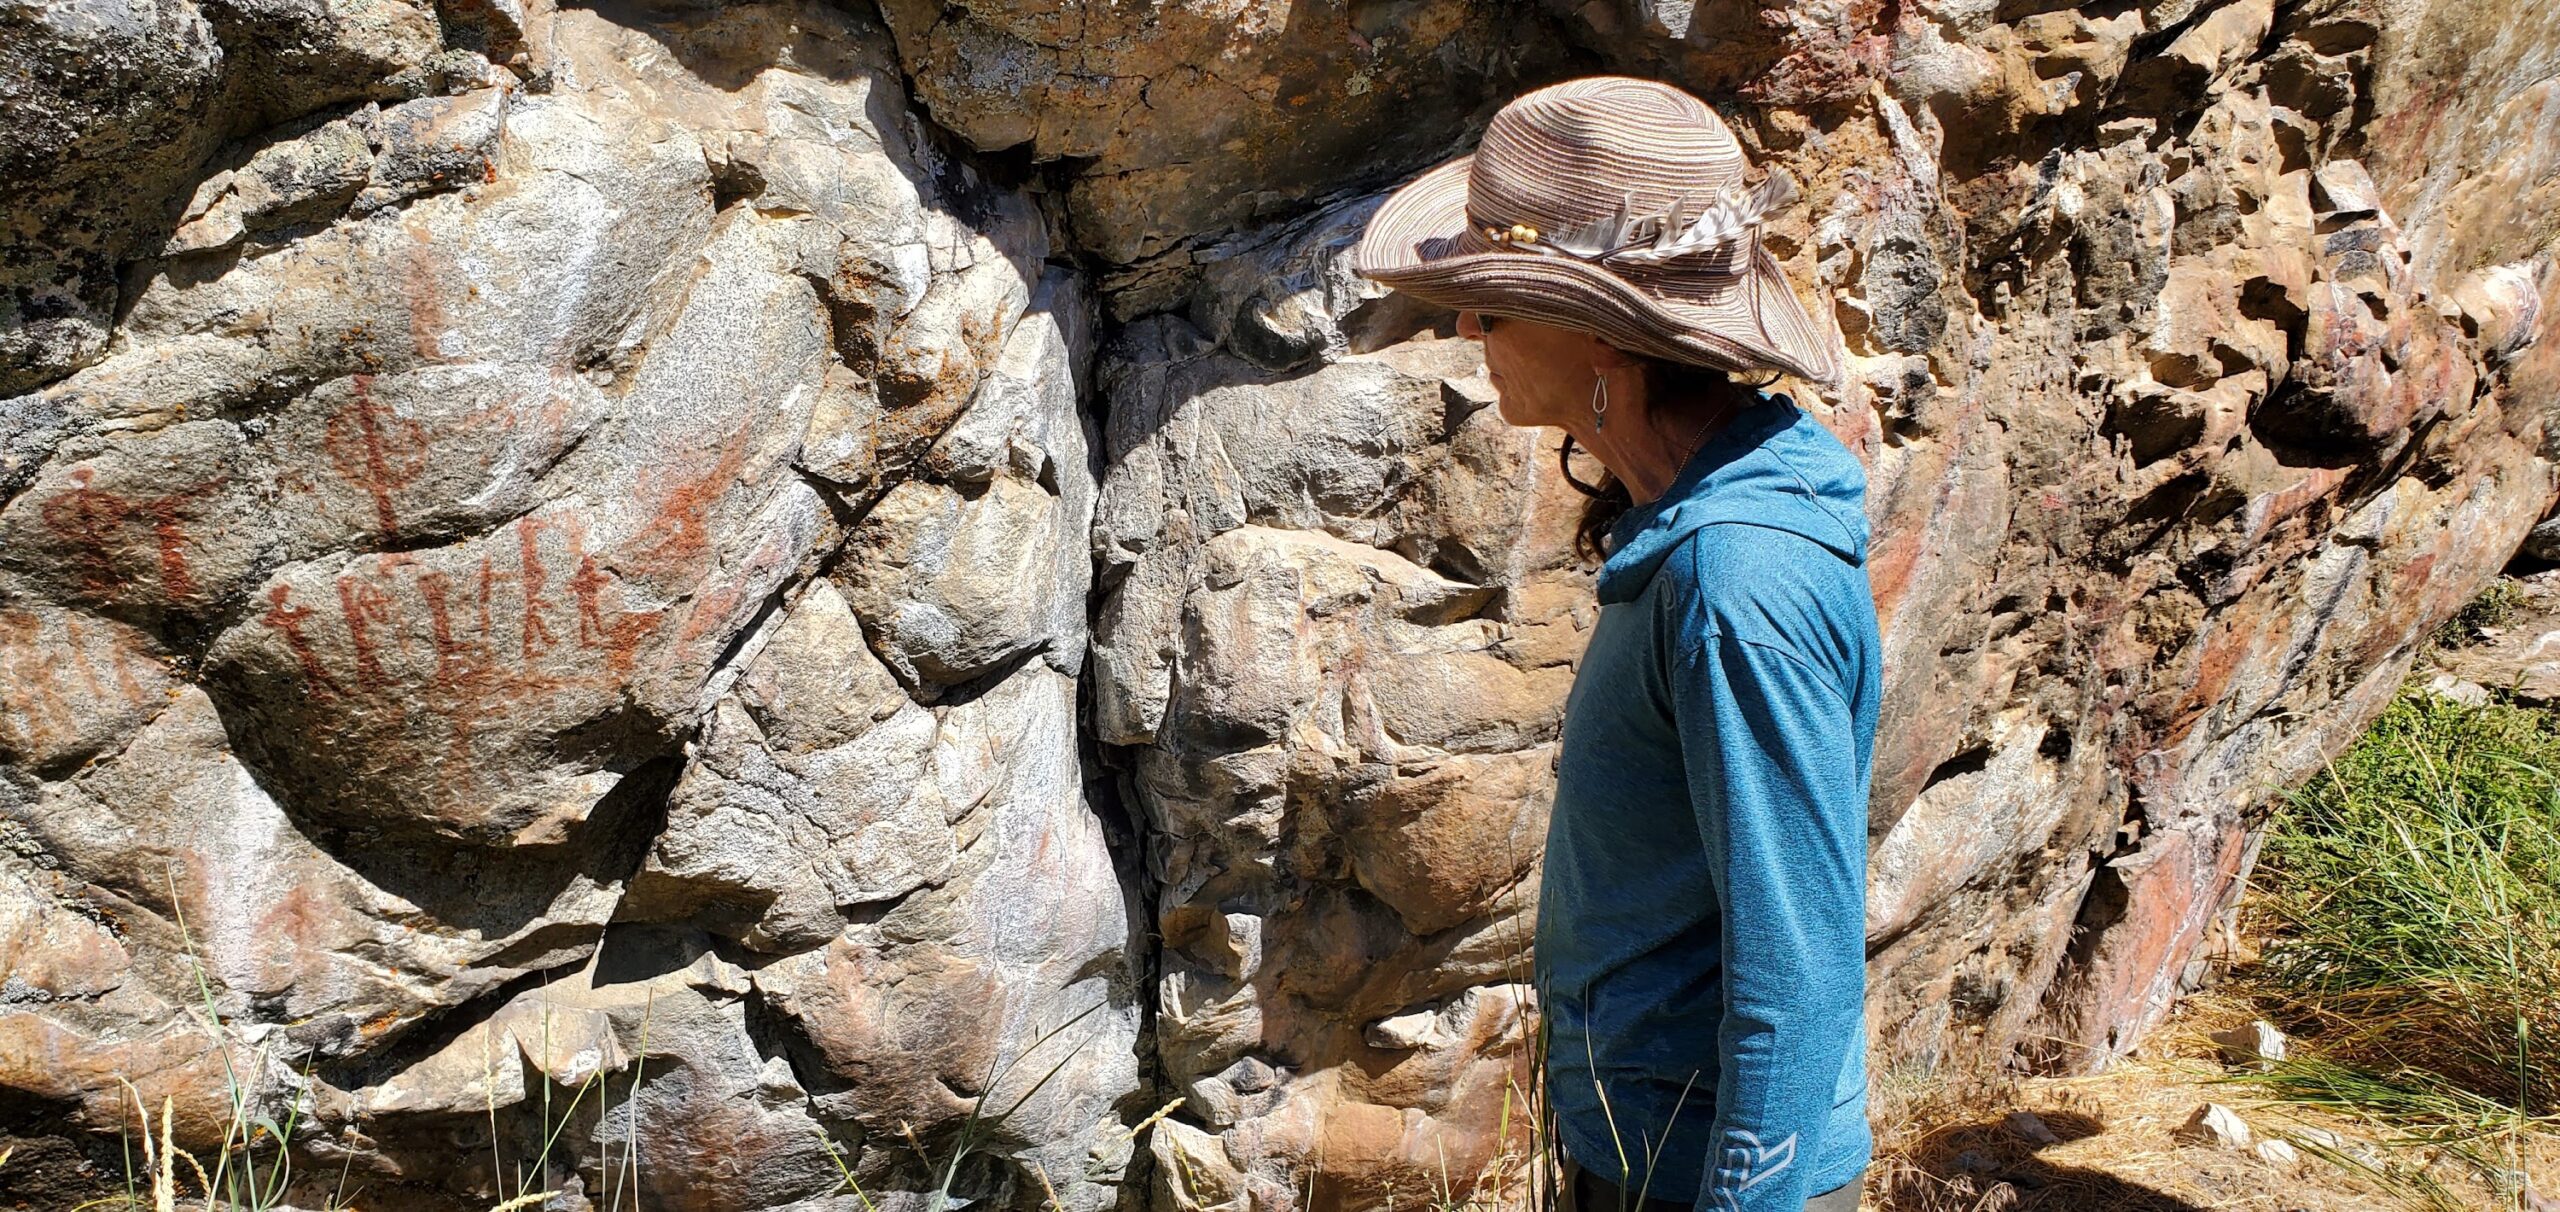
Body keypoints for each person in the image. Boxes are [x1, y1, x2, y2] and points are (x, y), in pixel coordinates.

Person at [1352, 76, 1881, 1212]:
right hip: (1655, 1138)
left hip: (1713, 1174)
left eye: (1492, 304)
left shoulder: (1735, 580)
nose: (1463, 328)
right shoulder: (1699, 510)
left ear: (1603, 335)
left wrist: (1748, 1197)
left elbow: (1798, 948)